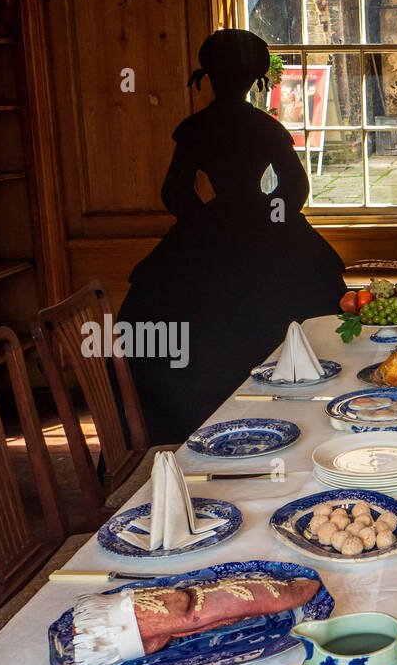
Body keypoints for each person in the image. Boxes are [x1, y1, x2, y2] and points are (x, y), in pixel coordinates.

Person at [119, 29, 345, 443]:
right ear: (256, 80)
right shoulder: (266, 127)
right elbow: (295, 188)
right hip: (266, 230)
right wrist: (267, 214)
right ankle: (302, 429)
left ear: (207, 75)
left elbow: (175, 189)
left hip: (208, 232)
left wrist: (205, 222)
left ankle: (192, 434)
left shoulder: (195, 128)